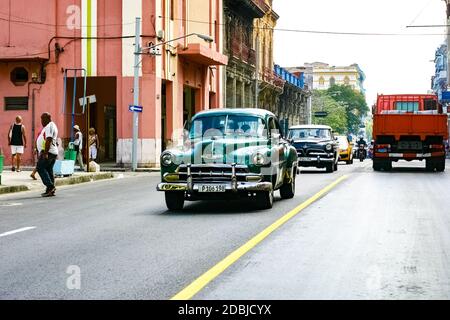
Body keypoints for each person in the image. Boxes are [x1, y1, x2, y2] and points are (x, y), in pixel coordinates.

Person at [36, 113, 59, 197]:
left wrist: (45, 153)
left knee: (40, 167)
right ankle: (50, 190)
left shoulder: (49, 126)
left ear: (47, 118)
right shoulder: (51, 126)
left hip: (49, 152)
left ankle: (50, 186)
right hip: (52, 152)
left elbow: (48, 139)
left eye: (42, 119)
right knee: (49, 170)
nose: (41, 121)